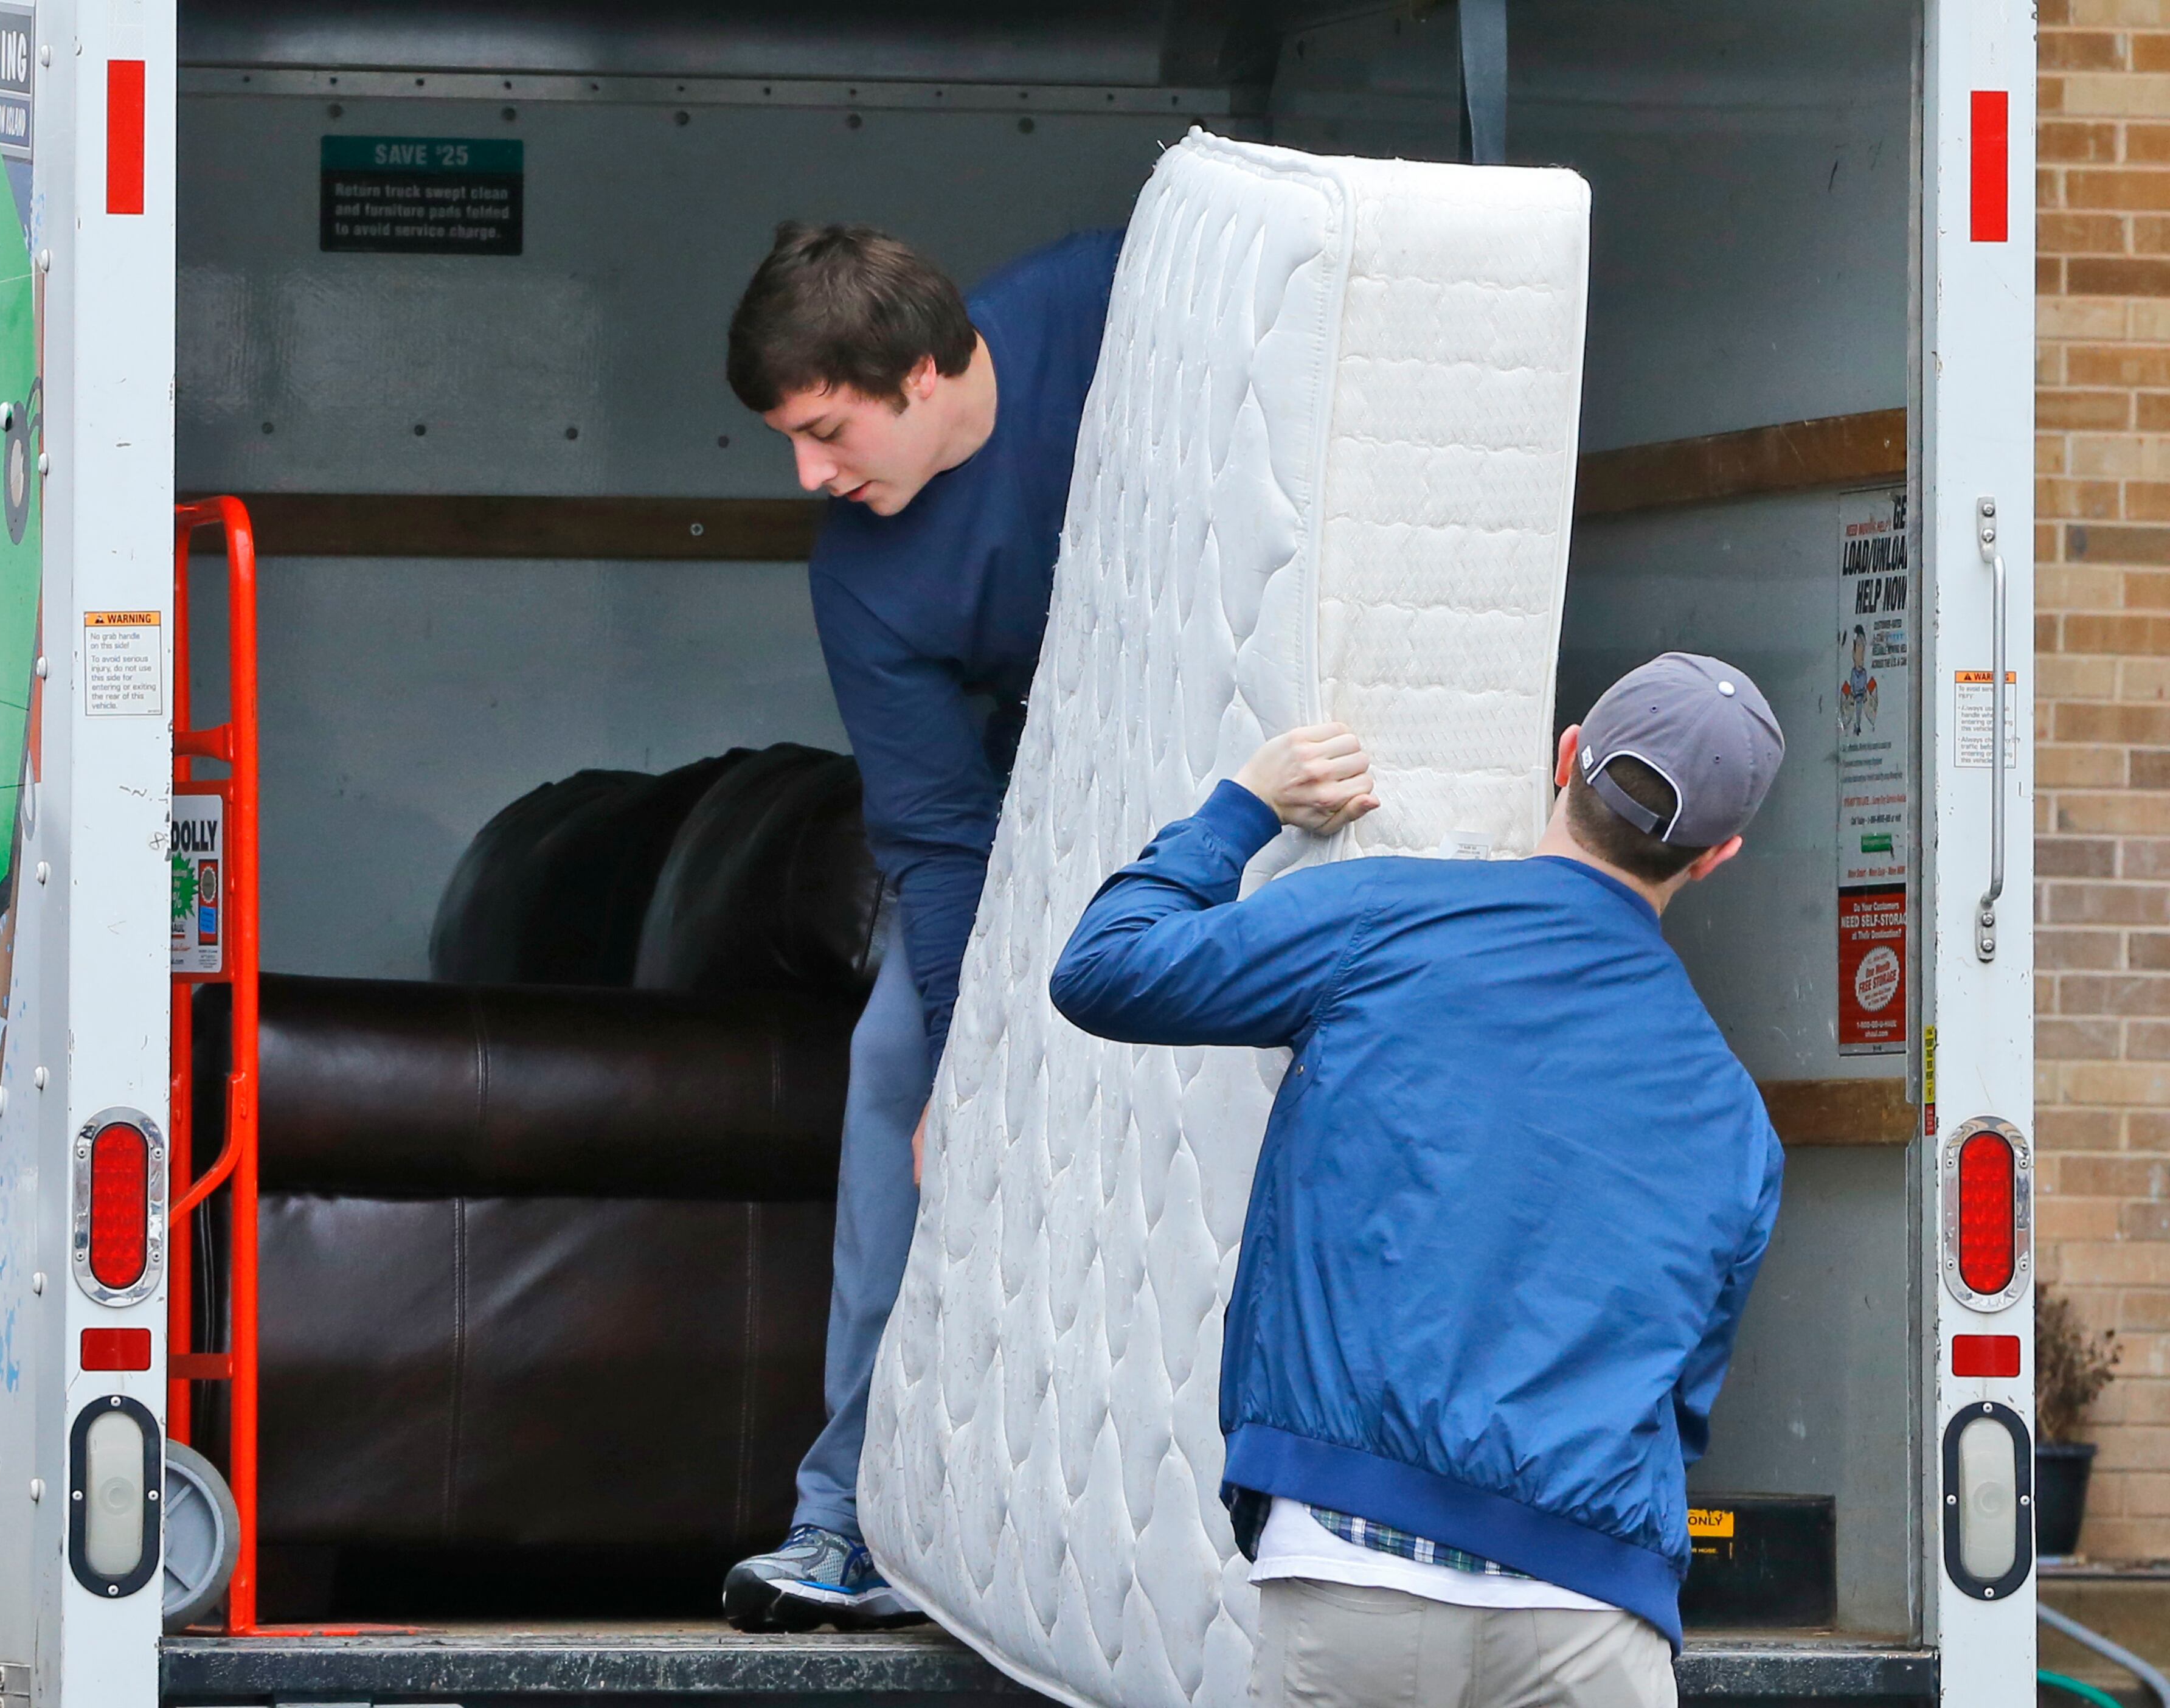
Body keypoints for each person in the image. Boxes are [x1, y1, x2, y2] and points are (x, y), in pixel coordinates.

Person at [1050, 653, 1789, 1708]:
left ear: (1567, 757)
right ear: (1719, 856)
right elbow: (1683, 1399)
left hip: (1359, 1572)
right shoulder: (1737, 1123)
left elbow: (1106, 969)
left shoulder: (1382, 919)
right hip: (1591, 1611)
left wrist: (1243, 807)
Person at [718, 219, 1124, 1631]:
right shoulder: (862, 572)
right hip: (1030, 807)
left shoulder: (1108, 297)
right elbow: (942, 844)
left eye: (827, 430)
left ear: (930, 372)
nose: (811, 475)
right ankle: (852, 1523)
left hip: (1240, 761)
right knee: (897, 1073)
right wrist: (971, 1069)